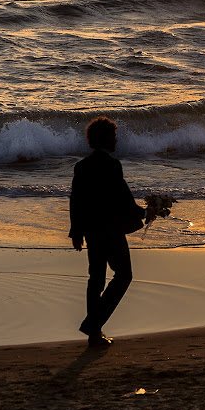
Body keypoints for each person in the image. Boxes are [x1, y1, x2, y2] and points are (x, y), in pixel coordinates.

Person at [69, 117, 156, 347]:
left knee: (95, 279)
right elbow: (124, 202)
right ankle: (93, 325)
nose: (117, 140)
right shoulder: (112, 165)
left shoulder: (82, 166)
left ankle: (94, 334)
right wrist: (146, 214)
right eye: (114, 136)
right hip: (111, 230)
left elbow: (76, 202)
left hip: (91, 231)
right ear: (107, 139)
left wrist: (76, 233)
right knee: (123, 275)